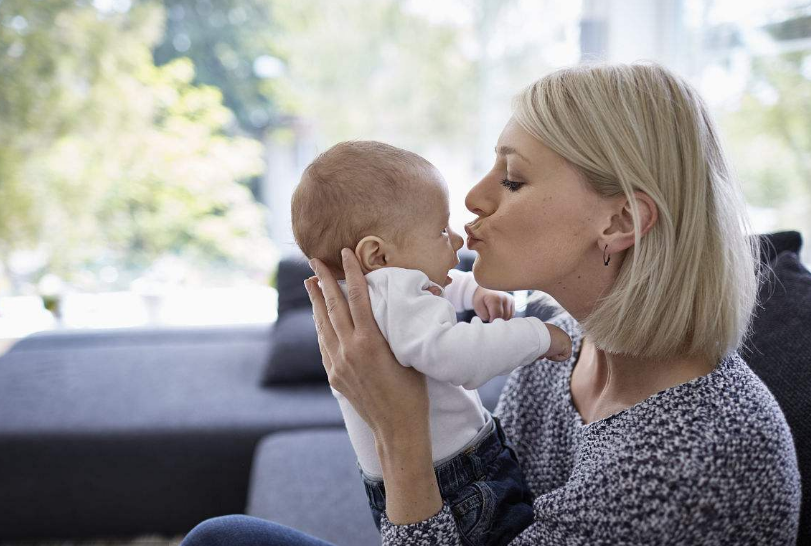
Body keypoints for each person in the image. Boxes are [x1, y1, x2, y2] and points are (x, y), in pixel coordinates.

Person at [182, 62, 801, 545]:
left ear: (619, 221)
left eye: (512, 179)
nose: (474, 198)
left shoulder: (688, 459)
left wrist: (400, 434)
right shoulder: (562, 336)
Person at [289, 140, 572, 546]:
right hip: (456, 480)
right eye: (441, 230)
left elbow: (435, 289)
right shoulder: (394, 289)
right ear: (378, 256)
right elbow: (455, 357)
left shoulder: (370, 294)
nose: (456, 240)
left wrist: (473, 292)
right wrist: (538, 335)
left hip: (401, 482)